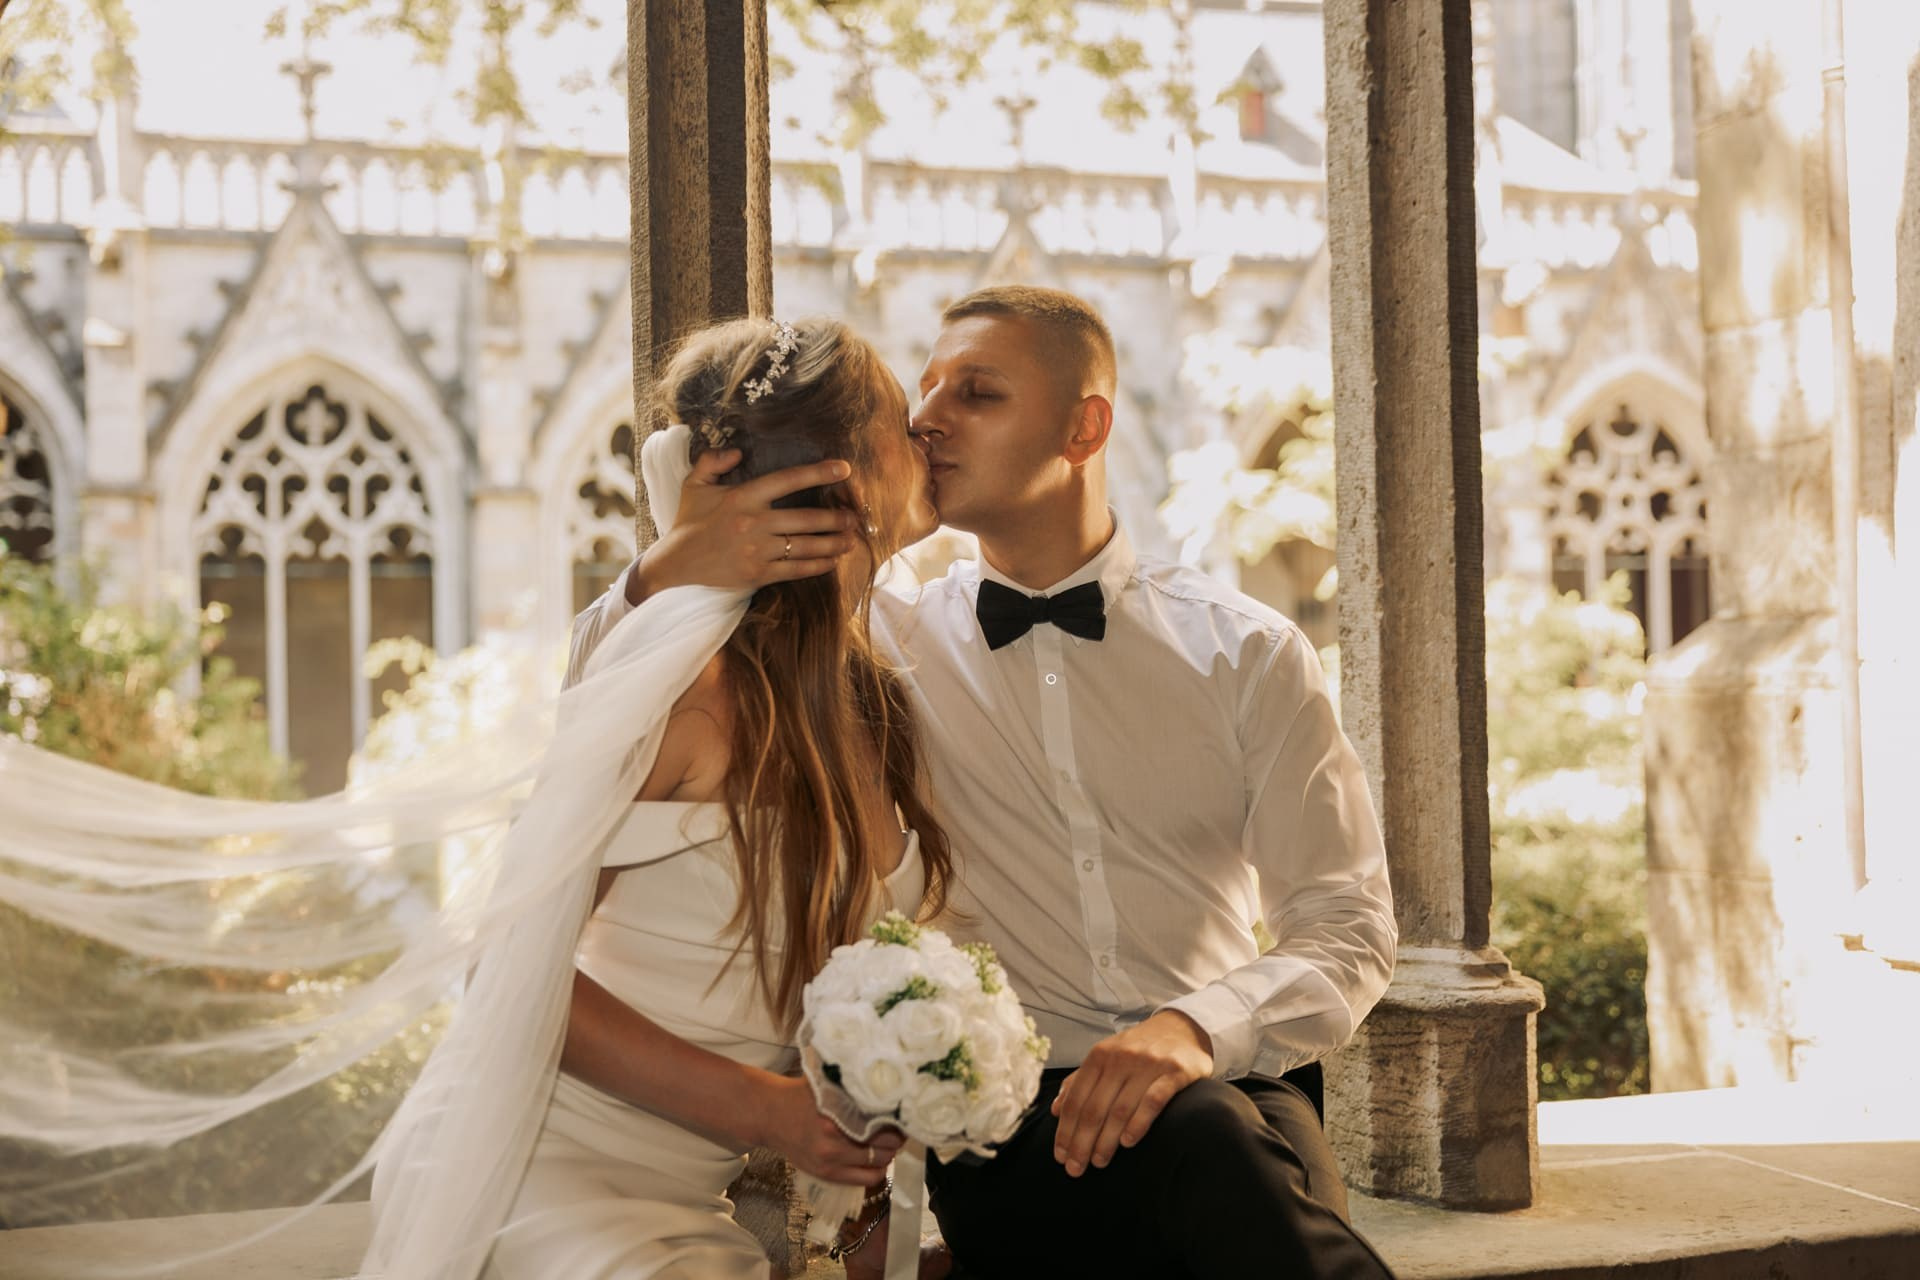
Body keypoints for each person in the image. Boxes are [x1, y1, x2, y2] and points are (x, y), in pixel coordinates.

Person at [633, 285, 1400, 1278]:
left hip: (1234, 1083)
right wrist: (672, 562)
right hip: (1006, 1120)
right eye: (926, 391)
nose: (929, 419)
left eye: (978, 393)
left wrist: (1188, 1027)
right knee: (1209, 1166)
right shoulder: (882, 646)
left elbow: (1350, 926)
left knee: (1206, 1131)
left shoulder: (1248, 651)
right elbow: (627, 704)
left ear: (1084, 427)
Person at [481, 315, 967, 1280]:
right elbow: (504, 982)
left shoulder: (876, 701)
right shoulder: (689, 695)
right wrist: (768, 1112)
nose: (927, 440)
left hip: (690, 1201)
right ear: (847, 476)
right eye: (903, 420)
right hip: (553, 1180)